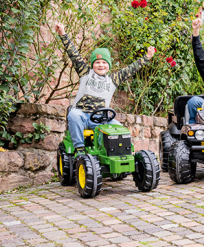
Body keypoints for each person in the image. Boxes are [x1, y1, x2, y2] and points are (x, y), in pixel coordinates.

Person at [55, 22, 155, 153]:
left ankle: (122, 153)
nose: (101, 65)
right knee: (74, 114)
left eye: (104, 62)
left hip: (101, 119)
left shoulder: (113, 79)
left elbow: (131, 69)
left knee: (119, 128)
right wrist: (62, 33)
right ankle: (79, 149)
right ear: (92, 64)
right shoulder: (85, 72)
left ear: (109, 65)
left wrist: (147, 57)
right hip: (82, 115)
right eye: (97, 62)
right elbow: (73, 54)